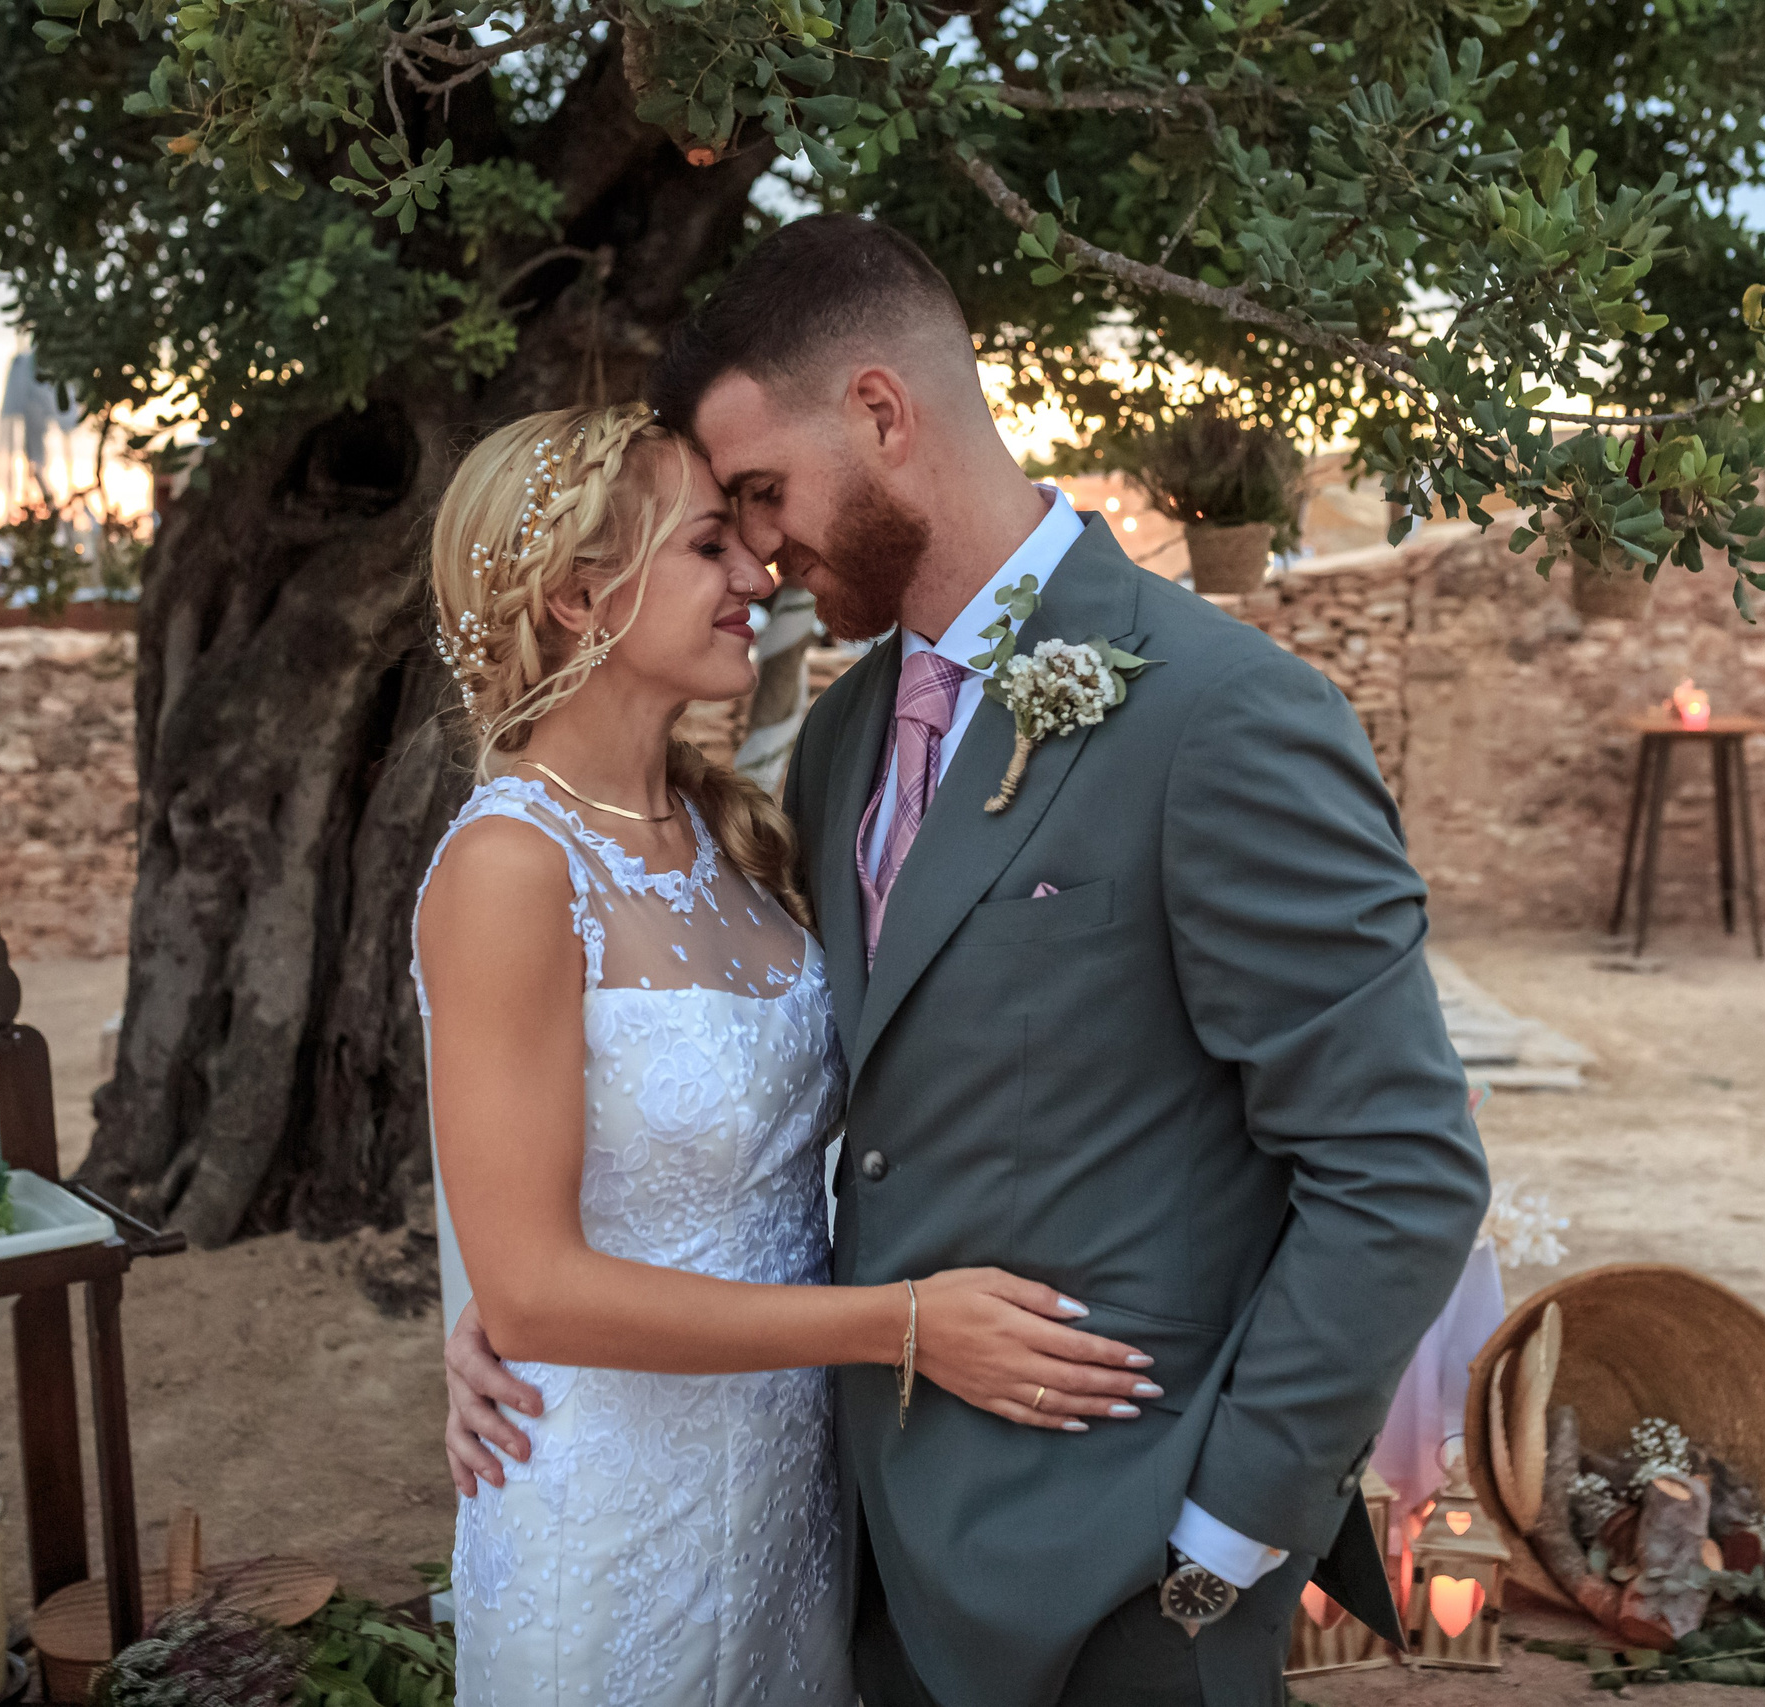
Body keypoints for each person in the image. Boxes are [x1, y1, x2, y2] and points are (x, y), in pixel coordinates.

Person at [443, 216, 1493, 1707]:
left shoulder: (1224, 717)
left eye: (759, 493)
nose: (758, 552)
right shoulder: (837, 746)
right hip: (862, 1548)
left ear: (881, 412)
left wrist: (1224, 1539)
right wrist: (516, 1300)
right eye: (725, 521)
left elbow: (1401, 1166)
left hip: (1132, 1573)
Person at [412, 403, 1163, 1707]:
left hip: (785, 1501)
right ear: (584, 596)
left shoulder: (737, 836)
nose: (759, 574)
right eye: (711, 545)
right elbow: (530, 1288)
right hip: (605, 1513)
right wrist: (907, 1326)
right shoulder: (508, 869)